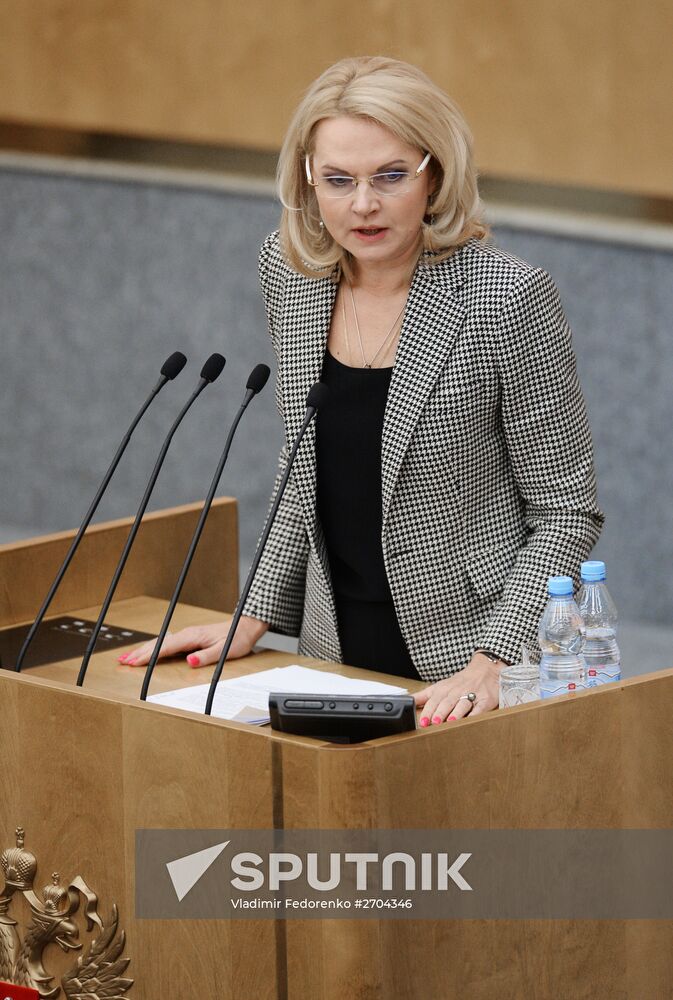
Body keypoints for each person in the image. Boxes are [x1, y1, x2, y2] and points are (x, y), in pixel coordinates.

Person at [122, 56, 603, 724]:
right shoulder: (290, 275)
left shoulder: (504, 297)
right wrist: (253, 614)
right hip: (333, 641)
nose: (363, 204)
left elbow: (566, 512)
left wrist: (495, 658)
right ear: (306, 181)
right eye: (338, 180)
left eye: (390, 176)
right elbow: (302, 467)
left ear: (435, 173)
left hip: (470, 654)